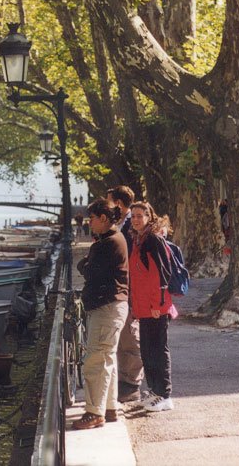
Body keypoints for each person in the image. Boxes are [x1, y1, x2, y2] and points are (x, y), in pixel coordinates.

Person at [72, 198, 129, 430]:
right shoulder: (115, 239)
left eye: (92, 218)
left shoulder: (106, 244)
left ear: (103, 218)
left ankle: (94, 412)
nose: (89, 223)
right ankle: (109, 407)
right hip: (113, 305)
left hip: (106, 307)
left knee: (95, 360)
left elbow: (89, 271)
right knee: (107, 358)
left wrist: (85, 265)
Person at [129, 201, 176, 412]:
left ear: (149, 217)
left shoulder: (152, 240)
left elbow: (162, 273)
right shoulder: (139, 240)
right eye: (134, 216)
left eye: (140, 215)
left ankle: (165, 395)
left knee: (158, 349)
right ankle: (155, 391)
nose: (136, 219)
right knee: (147, 350)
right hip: (144, 306)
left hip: (155, 306)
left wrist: (158, 303)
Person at [107, 184, 143, 404]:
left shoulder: (130, 225)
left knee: (130, 335)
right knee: (123, 336)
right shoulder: (123, 224)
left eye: (109, 202)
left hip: (129, 289)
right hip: (123, 289)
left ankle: (131, 384)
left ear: (118, 204)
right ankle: (126, 380)